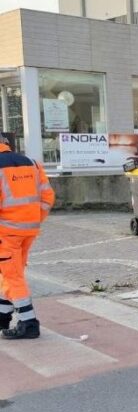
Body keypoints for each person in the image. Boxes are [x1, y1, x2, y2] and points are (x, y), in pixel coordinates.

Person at [0, 135, 54, 339]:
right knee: (10, 272)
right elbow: (48, 196)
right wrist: (34, 219)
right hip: (28, 231)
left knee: (12, 275)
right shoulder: (32, 164)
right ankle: (3, 315)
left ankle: (29, 322)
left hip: (6, 233)